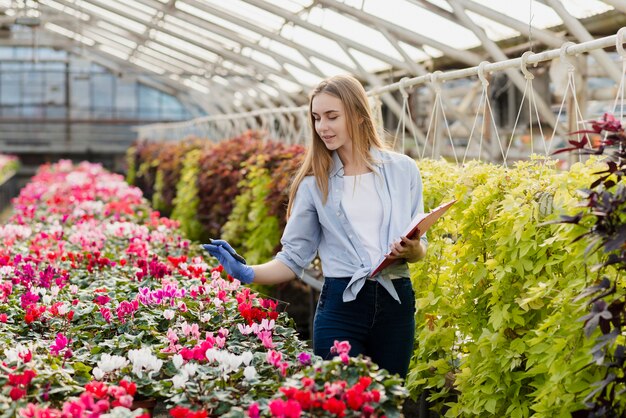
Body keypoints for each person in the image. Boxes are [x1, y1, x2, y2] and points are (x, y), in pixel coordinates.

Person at [203, 74, 427, 378]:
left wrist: (413, 250)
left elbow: (419, 248)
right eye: (317, 118)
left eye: (332, 117)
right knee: (339, 400)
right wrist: (248, 272)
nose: (322, 127)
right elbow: (293, 259)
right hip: (341, 308)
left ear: (360, 116)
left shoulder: (403, 170)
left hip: (396, 303)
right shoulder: (314, 184)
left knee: (389, 403)